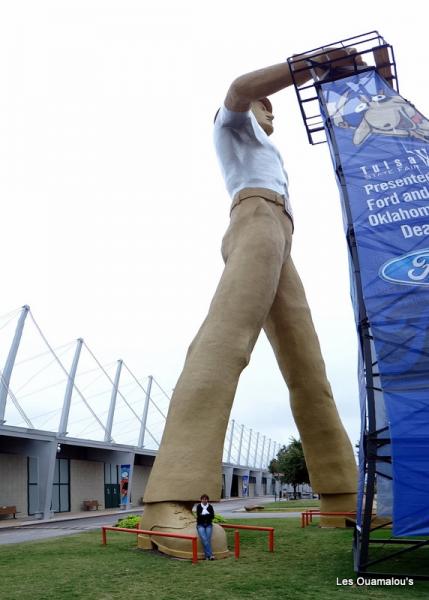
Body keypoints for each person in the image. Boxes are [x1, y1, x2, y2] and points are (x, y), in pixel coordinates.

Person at [140, 48, 361, 559]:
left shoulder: (265, 145)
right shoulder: (231, 124)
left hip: (281, 233)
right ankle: (167, 500)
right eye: (269, 105)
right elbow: (240, 86)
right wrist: (308, 67)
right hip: (256, 221)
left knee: (310, 371)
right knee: (225, 343)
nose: (271, 111)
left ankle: (342, 495)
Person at [196, 494, 215, 560]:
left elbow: (212, 516)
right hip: (200, 525)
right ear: (201, 500)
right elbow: (199, 516)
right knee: (204, 539)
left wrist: (203, 515)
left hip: (208, 524)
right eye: (203, 499)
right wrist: (207, 515)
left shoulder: (210, 507)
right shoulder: (198, 506)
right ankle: (210, 555)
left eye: (206, 499)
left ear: (207, 500)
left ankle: (207, 556)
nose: (205, 500)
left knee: (208, 540)